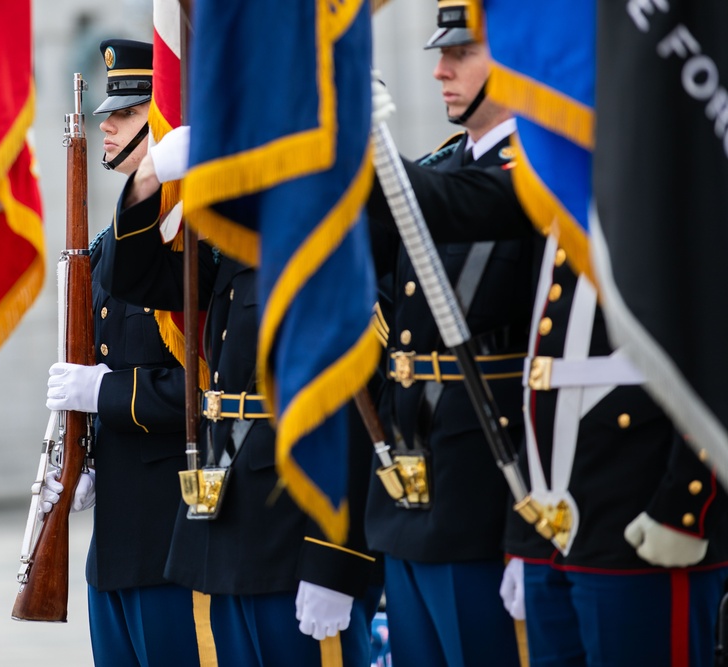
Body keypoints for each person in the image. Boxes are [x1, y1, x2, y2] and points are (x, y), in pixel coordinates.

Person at [373, 17, 728, 666]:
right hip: (553, 514)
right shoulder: (559, 173)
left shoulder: (692, 176)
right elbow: (461, 202)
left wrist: (687, 504)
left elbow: (713, 347)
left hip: (640, 508)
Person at [95, 102, 383, 666]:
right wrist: (149, 174)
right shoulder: (238, 254)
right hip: (224, 530)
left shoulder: (329, 248)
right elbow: (130, 275)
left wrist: (335, 559)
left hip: (296, 537)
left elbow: (357, 407)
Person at [363, 3, 533, 664]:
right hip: (406, 489)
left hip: (484, 500)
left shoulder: (540, 172)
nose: (440, 71)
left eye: (462, 53)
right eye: (441, 53)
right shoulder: (442, 165)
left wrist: (357, 133)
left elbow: (441, 201)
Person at [39, 39, 202, 667]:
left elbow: (201, 384)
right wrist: (83, 454)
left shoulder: (187, 238)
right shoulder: (110, 243)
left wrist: (100, 393)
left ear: (162, 124)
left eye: (127, 114)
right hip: (113, 541)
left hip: (170, 535)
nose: (107, 123)